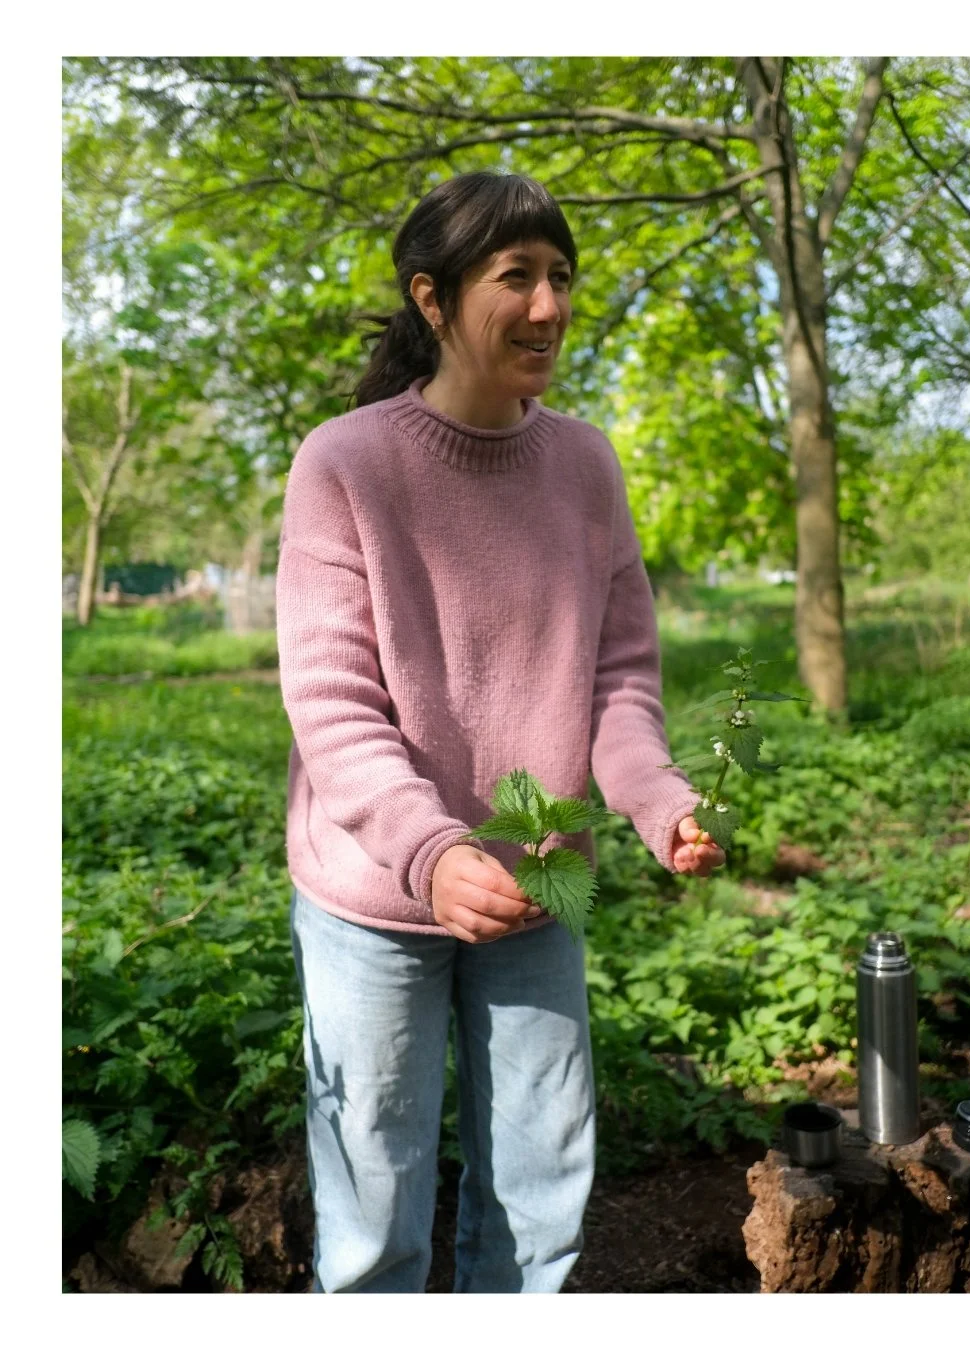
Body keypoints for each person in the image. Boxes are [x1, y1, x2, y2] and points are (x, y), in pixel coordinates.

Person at [276, 170, 725, 1295]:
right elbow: (331, 702)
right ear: (432, 299)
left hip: (536, 888)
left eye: (561, 277)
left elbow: (617, 682)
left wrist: (660, 800)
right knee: (374, 1210)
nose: (549, 305)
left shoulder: (585, 466)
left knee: (539, 1196)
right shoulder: (346, 465)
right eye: (514, 276)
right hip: (375, 900)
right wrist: (431, 854)